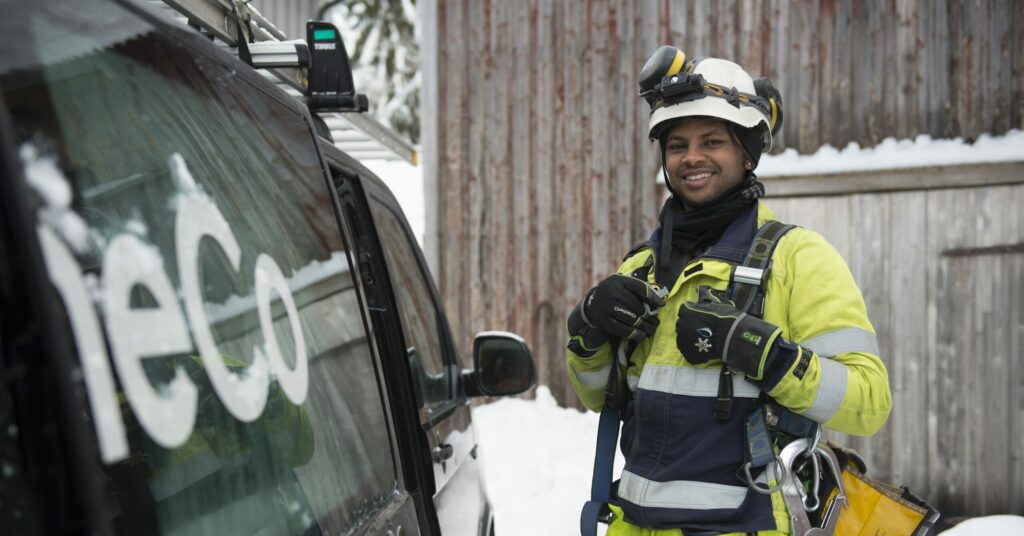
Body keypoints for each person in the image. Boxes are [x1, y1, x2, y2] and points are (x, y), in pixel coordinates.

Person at [566, 46, 892, 535]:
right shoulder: (641, 267)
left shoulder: (798, 258)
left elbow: (868, 401)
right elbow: (598, 396)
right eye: (677, 144)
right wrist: (588, 327)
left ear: (746, 153)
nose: (692, 157)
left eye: (712, 141)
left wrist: (766, 356)